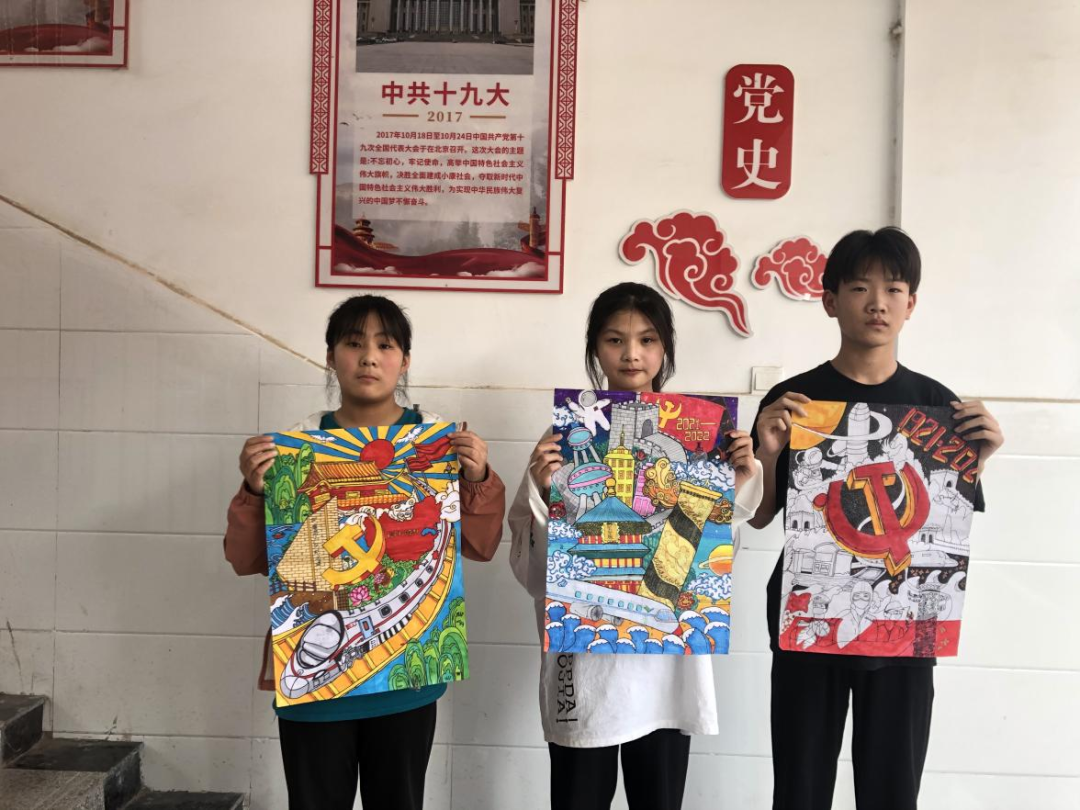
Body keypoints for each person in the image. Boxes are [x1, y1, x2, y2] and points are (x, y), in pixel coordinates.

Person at [748, 227, 1005, 810]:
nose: (877, 303)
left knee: (892, 788)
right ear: (829, 300)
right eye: (860, 287)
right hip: (808, 615)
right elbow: (761, 518)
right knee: (800, 786)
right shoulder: (794, 401)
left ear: (911, 303)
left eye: (893, 289)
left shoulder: (939, 407)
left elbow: (946, 527)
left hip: (905, 621)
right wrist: (767, 452)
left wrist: (979, 460)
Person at [223, 294, 506, 810]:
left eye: (385, 345)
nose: (369, 357)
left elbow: (480, 547)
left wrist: (478, 479)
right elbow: (247, 560)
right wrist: (254, 491)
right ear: (330, 357)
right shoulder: (297, 446)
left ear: (405, 360)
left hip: (405, 682)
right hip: (314, 693)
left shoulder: (438, 446)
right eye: (354, 344)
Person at [509, 282, 764, 810]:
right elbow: (534, 576)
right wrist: (542, 490)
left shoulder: (701, 442)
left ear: (664, 348)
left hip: (668, 666)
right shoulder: (560, 442)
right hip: (585, 665)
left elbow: (711, 569)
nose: (631, 354)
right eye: (615, 340)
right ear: (595, 348)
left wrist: (734, 485)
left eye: (647, 340)